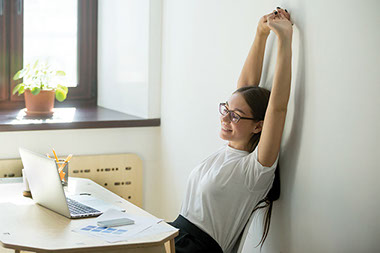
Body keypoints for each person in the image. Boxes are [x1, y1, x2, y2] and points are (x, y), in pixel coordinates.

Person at [169, 7, 293, 253]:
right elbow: (245, 92)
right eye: (225, 109)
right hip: (173, 236)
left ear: (259, 125)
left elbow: (277, 108)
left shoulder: (256, 170)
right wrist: (260, 34)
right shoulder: (227, 151)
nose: (225, 117)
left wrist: (284, 40)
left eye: (234, 116)